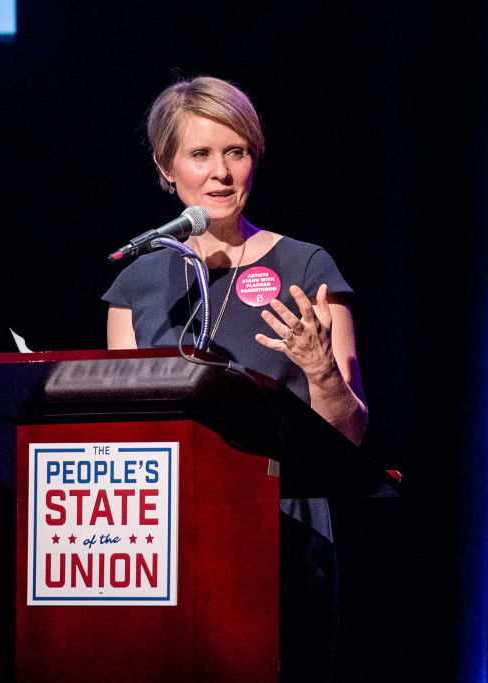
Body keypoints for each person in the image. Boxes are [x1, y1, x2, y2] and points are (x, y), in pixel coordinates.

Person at [103, 75, 368, 681]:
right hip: (164, 547)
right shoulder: (136, 283)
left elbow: (350, 436)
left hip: (280, 539)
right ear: (166, 168)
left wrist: (321, 370)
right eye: (200, 154)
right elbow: (123, 437)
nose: (221, 173)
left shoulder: (306, 266)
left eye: (237, 151)